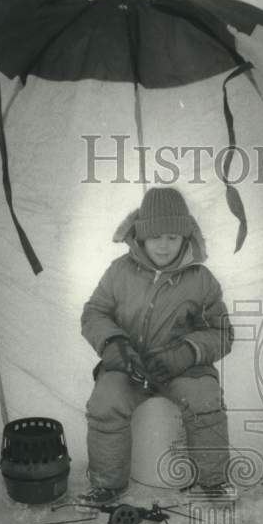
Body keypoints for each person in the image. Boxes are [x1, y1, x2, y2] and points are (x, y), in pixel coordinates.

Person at [79, 186, 233, 505]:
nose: (164, 246)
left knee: (206, 400)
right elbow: (94, 312)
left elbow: (222, 332)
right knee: (106, 402)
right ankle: (108, 484)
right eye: (156, 236)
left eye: (173, 237)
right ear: (141, 235)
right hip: (129, 365)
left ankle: (214, 481)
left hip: (183, 369)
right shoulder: (119, 272)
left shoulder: (201, 279)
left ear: (186, 238)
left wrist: (186, 352)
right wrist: (114, 345)